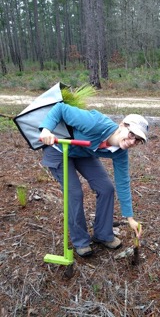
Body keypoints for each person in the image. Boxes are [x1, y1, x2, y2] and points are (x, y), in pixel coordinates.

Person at [39, 102, 149, 258]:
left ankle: (103, 234)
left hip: (82, 152)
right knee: (74, 193)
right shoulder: (95, 123)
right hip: (58, 148)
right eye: (132, 134)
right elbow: (60, 109)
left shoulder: (120, 152)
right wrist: (46, 130)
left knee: (106, 188)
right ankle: (81, 241)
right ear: (122, 125)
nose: (132, 142)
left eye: (138, 141)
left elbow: (123, 182)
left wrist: (130, 218)